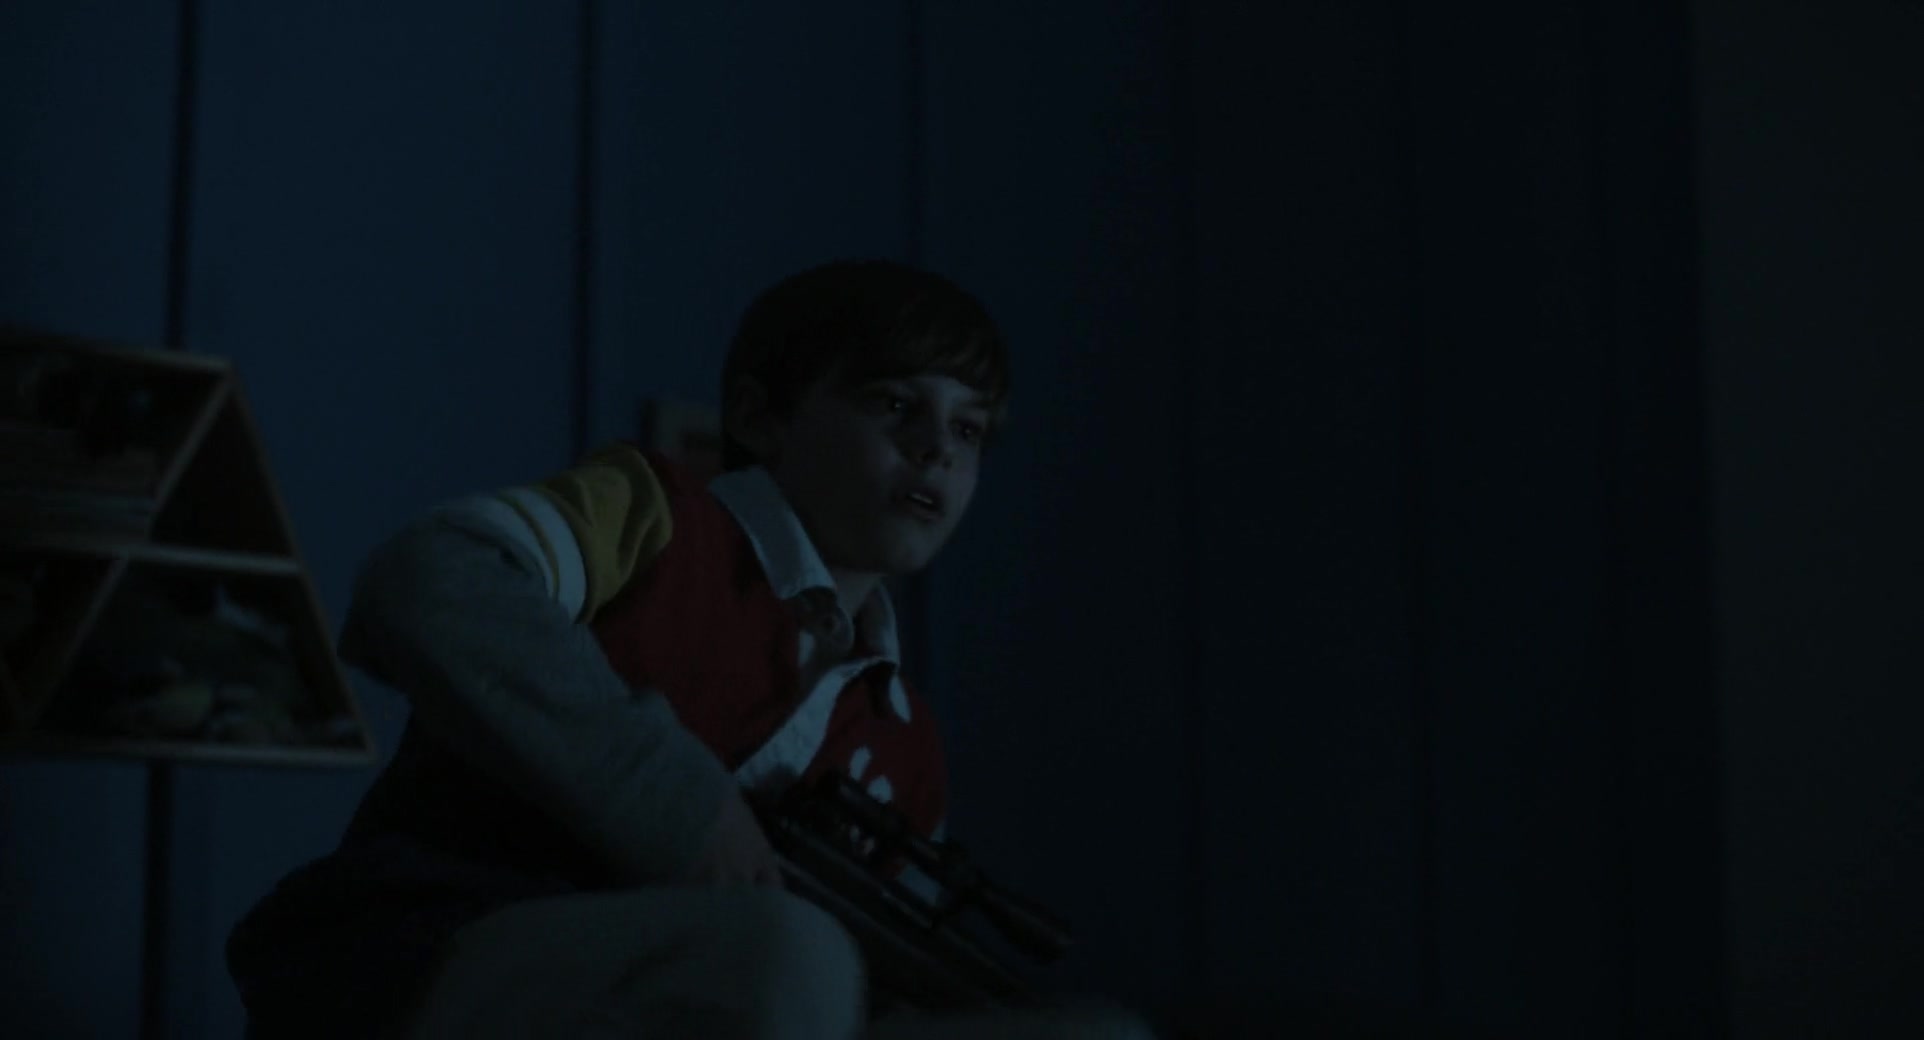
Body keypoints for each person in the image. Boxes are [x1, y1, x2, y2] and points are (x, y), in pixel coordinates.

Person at [227, 260, 1157, 1039]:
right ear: (760, 417)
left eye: (969, 428)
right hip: (435, 947)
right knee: (787, 956)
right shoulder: (656, 521)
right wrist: (677, 802)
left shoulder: (903, 734)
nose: (936, 451)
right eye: (893, 404)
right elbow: (435, 577)